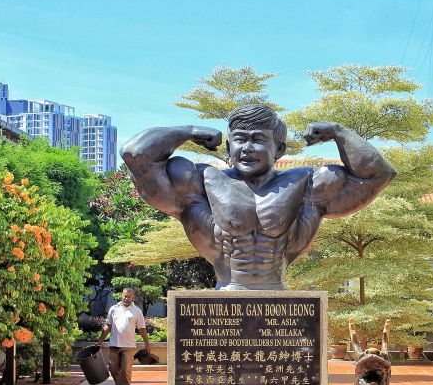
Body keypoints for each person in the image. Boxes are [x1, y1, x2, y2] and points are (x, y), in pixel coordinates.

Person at [120, 104, 395, 290]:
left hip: (279, 296)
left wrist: (338, 131)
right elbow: (136, 155)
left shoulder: (306, 184)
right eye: (240, 139)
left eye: (258, 139)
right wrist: (188, 131)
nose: (247, 148)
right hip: (226, 292)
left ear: (280, 149)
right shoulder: (201, 183)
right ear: (229, 146)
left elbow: (378, 175)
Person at [97, 287, 150, 385]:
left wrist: (147, 344)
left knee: (126, 370)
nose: (126, 298)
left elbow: (142, 328)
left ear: (133, 297)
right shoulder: (113, 309)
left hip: (129, 346)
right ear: (122, 295)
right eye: (125, 296)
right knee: (113, 369)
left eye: (129, 297)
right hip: (114, 344)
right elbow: (108, 326)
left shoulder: (137, 311)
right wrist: (100, 341)